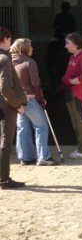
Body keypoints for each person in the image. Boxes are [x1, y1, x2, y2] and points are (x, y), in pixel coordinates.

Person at [9, 38, 56, 166]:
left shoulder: (8, 62)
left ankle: (25, 157)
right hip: (29, 99)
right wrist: (41, 99)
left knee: (22, 128)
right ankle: (43, 157)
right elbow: (36, 85)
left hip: (17, 101)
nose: (32, 49)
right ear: (24, 48)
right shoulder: (29, 62)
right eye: (30, 47)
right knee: (41, 126)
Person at [0, 27, 27, 189]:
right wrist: (18, 105)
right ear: (4, 40)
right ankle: (3, 179)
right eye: (9, 39)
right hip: (7, 106)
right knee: (6, 143)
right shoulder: (4, 59)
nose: (10, 42)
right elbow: (5, 88)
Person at [62, 32, 82, 159]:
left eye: (67, 43)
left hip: (80, 94)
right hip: (71, 93)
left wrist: (74, 81)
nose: (65, 46)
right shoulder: (73, 57)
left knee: (81, 122)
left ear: (76, 44)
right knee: (75, 122)